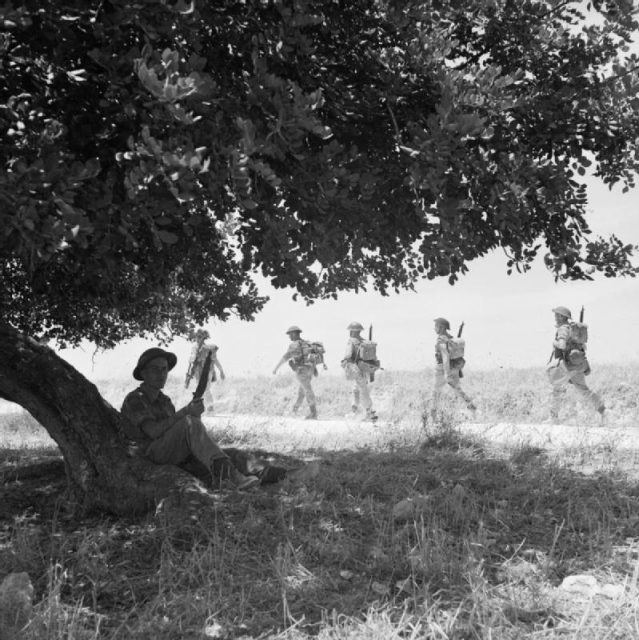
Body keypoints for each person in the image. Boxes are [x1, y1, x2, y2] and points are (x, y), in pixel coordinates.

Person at [121, 348, 317, 490]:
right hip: (149, 456)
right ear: (143, 373)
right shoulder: (135, 399)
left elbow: (180, 433)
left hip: (173, 454)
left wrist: (193, 414)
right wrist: (186, 414)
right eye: (155, 369)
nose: (161, 374)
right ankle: (231, 477)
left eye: (164, 369)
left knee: (234, 454)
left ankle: (281, 475)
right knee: (190, 423)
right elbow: (154, 431)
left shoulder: (165, 401)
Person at [546, 306, 606, 424]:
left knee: (556, 389)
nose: (555, 317)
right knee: (584, 390)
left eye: (557, 315)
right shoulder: (573, 329)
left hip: (567, 365)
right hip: (578, 364)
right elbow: (583, 347)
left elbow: (562, 345)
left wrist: (554, 342)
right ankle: (604, 411)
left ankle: (553, 418)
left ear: (562, 317)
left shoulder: (563, 329)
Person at [431, 317, 476, 420]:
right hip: (454, 368)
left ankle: (432, 418)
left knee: (435, 394)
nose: (434, 329)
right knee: (459, 391)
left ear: (441, 327)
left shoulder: (441, 339)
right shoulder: (451, 338)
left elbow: (445, 356)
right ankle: (471, 407)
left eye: (436, 326)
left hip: (442, 369)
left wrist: (447, 374)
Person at [273, 326, 318, 419]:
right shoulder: (306, 343)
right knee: (301, 393)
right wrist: (314, 370)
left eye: (290, 335)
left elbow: (285, 357)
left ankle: (313, 413)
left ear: (294, 334)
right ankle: (294, 411)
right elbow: (311, 357)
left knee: (308, 390)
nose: (289, 337)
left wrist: (276, 368)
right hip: (309, 371)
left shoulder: (294, 345)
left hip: (301, 371)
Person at [341, 321, 378, 422]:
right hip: (364, 369)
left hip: (355, 368)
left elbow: (348, 356)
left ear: (352, 331)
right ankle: (354, 411)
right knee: (356, 389)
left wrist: (344, 363)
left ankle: (369, 412)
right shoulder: (364, 341)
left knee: (362, 390)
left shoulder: (351, 341)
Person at [185, 329, 225, 412]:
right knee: (199, 388)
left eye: (200, 337)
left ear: (204, 338)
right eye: (197, 337)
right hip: (197, 371)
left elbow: (215, 360)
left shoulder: (209, 349)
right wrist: (189, 373)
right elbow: (192, 361)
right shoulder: (194, 347)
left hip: (207, 371)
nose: (198, 339)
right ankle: (200, 408)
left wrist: (221, 371)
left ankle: (210, 408)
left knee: (206, 389)